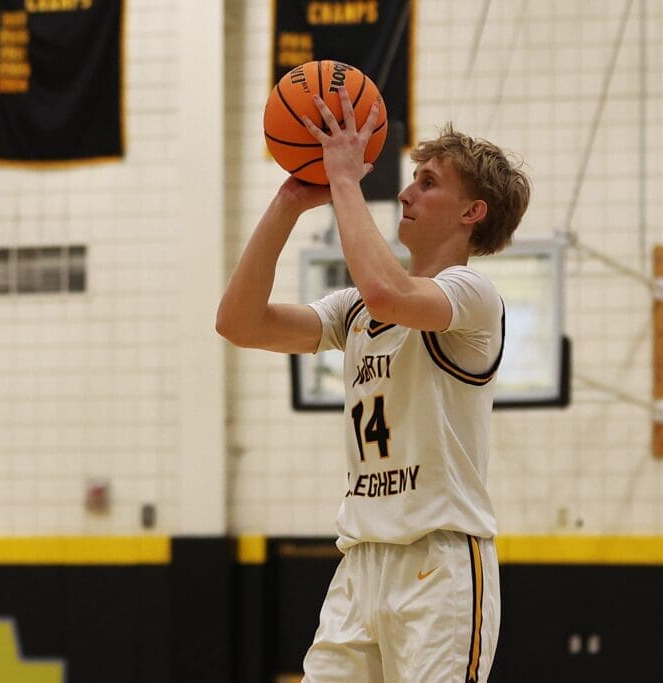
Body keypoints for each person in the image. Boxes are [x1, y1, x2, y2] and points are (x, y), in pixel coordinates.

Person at [216, 88, 530, 682]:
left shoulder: (473, 296)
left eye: (428, 182)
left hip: (440, 565)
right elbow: (238, 322)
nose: (407, 192)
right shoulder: (356, 310)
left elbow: (391, 291)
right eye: (412, 178)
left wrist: (344, 182)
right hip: (360, 563)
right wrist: (287, 201)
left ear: (473, 213)